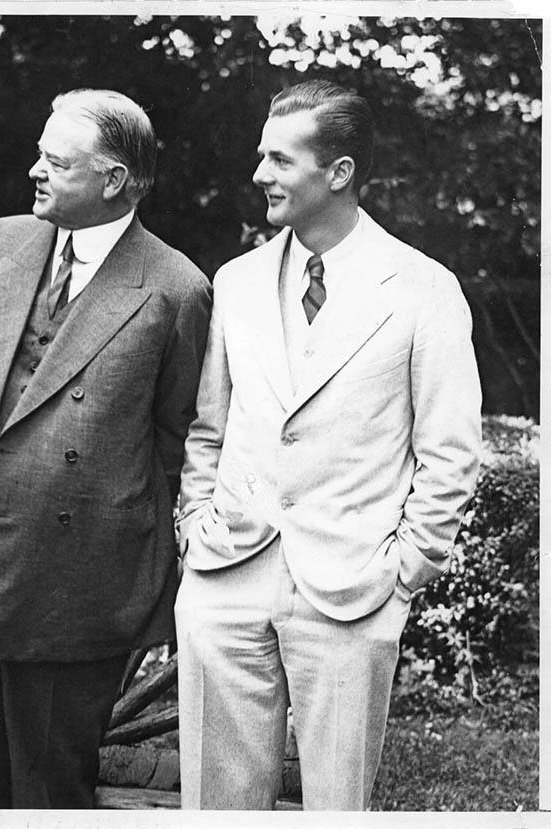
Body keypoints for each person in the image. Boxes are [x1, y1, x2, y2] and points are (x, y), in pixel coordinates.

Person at [0, 88, 211, 808]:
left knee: (49, 787)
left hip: (75, 583)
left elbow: (176, 440)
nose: (34, 169)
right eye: (39, 152)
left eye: (55, 161)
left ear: (114, 180)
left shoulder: (176, 288)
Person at [174, 79, 482, 810]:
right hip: (227, 576)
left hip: (352, 592)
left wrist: (405, 572)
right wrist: (195, 530)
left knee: (337, 808)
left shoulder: (422, 289)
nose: (259, 175)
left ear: (338, 172)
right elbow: (210, 427)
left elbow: (450, 453)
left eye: (280, 160)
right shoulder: (238, 282)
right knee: (215, 808)